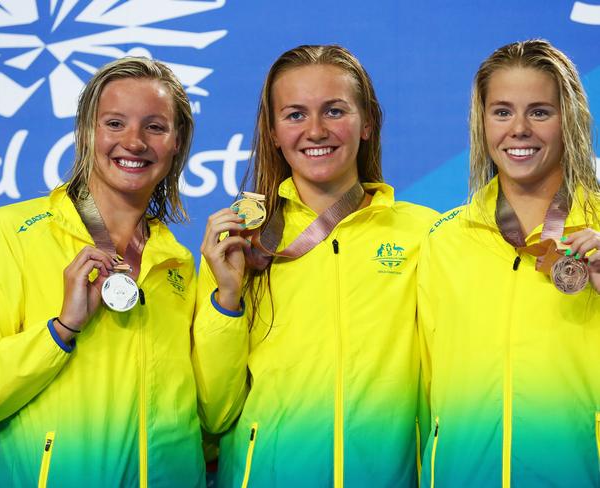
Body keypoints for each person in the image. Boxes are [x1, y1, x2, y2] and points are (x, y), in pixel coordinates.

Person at [0, 57, 205, 487]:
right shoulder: (12, 233)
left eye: (155, 127)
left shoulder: (176, 261)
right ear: (87, 132)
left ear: (177, 142)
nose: (135, 141)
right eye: (115, 123)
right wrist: (60, 330)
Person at [192, 45, 437, 488]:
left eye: (335, 111)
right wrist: (227, 299)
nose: (316, 131)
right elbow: (215, 411)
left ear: (368, 123)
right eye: (295, 115)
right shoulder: (237, 244)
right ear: (272, 132)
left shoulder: (427, 235)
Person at [418, 39, 600, 487]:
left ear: (570, 120)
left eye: (539, 111)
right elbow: (425, 389)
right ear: (481, 123)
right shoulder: (443, 241)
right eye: (501, 111)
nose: (518, 129)